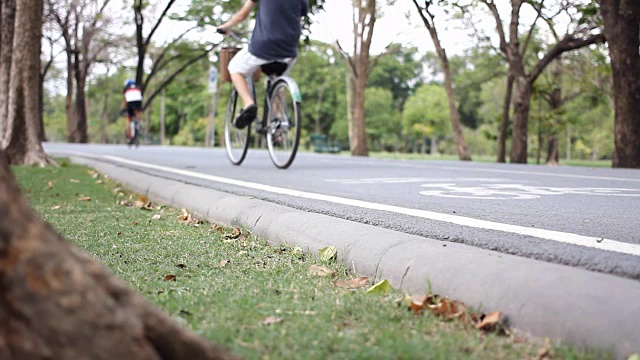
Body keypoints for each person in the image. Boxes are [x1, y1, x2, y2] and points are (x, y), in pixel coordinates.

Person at [217, 0, 308, 129]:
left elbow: (242, 15)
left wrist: (226, 26)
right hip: (290, 50)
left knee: (235, 68)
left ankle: (249, 104)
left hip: (264, 46)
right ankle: (277, 121)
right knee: (277, 81)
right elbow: (297, 18)